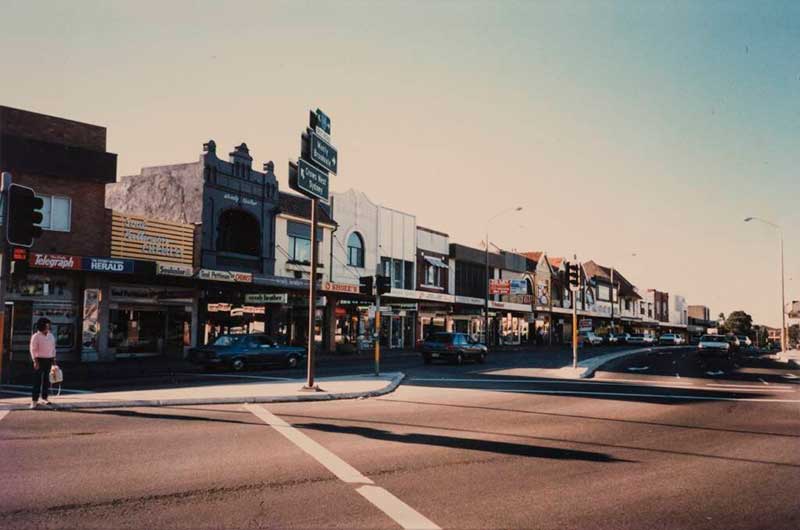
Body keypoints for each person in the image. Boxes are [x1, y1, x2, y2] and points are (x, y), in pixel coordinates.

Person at [30, 317, 56, 409]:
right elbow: (33, 350)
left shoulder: (51, 336)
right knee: (37, 381)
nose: (48, 327)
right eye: (46, 325)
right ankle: (34, 401)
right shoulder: (36, 336)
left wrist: (54, 362)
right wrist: (35, 361)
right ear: (41, 326)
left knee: (46, 381)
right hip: (39, 360)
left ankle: (44, 398)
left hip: (49, 360)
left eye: (49, 325)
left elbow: (53, 349)